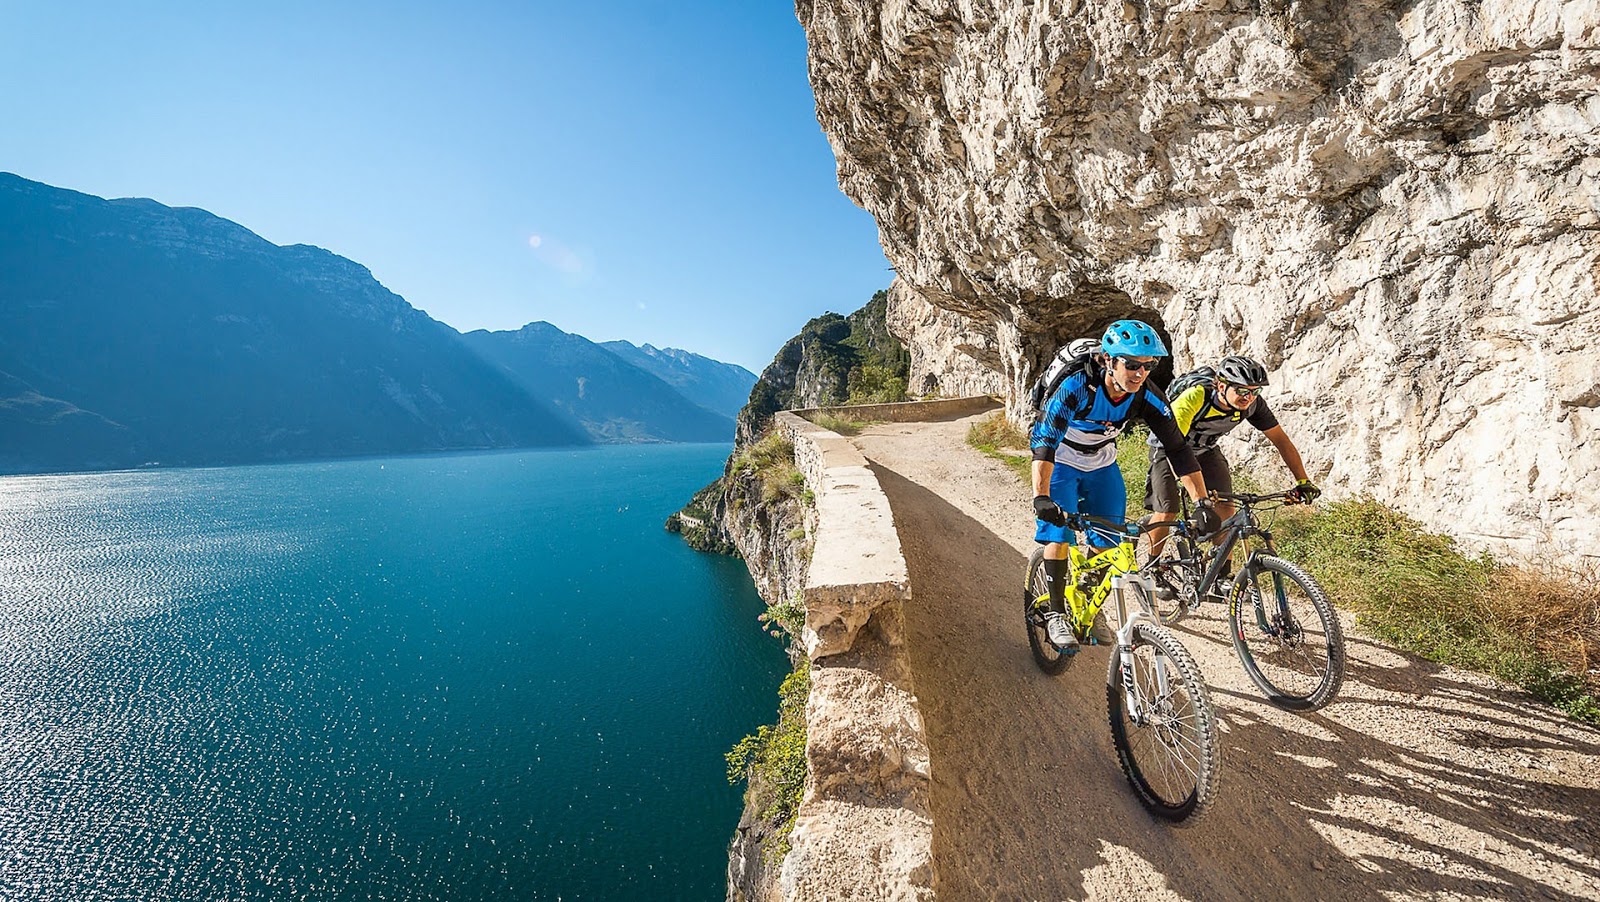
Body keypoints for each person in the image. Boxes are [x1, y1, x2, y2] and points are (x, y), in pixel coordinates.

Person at [1030, 320, 1218, 652]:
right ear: (1108, 360)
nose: (1139, 373)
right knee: (1059, 535)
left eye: (1148, 366)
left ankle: (1089, 606)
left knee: (1109, 542)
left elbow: (1177, 448)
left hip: (1102, 464)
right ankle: (1057, 612)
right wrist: (1042, 497)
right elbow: (1044, 441)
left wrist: (1202, 502)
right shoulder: (1076, 385)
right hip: (1060, 460)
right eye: (1131, 364)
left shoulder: (1146, 395)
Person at [1143, 355, 1320, 575]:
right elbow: (1176, 451)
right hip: (1168, 449)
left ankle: (1221, 575)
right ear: (1220, 385)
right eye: (1242, 391)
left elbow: (1281, 441)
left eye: (1255, 391)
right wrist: (1200, 501)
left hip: (1206, 450)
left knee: (1227, 509)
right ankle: (1152, 568)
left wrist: (1303, 480)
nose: (1248, 397)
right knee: (1168, 510)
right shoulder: (1195, 397)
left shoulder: (1253, 406)